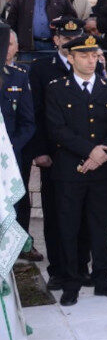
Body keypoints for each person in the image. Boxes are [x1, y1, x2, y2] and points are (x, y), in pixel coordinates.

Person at [43, 34, 107, 305]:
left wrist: (101, 153)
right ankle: (72, 281)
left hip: (102, 169)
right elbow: (57, 129)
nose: (91, 60)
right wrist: (90, 151)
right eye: (84, 55)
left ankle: (103, 278)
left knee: (101, 226)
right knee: (69, 227)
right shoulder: (57, 88)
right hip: (71, 171)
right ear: (70, 58)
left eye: (94, 55)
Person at [28, 17, 88, 289]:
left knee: (85, 213)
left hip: (84, 153)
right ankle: (58, 270)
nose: (71, 42)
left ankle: (81, 267)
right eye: (66, 38)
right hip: (54, 155)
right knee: (55, 214)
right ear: (56, 40)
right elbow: (35, 114)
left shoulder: (91, 65)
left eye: (76, 38)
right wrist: (40, 151)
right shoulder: (41, 68)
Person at [2, 31, 36, 258]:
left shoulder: (20, 76)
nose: (7, 48)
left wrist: (11, 148)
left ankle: (14, 253)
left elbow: (28, 122)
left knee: (14, 205)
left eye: (11, 44)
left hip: (11, 156)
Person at [9, 0, 77, 55]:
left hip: (53, 45)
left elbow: (72, 17)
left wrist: (62, 20)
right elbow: (11, 22)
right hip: (27, 48)